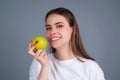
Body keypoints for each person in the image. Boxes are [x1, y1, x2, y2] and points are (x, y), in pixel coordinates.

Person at [28, 7, 105, 80]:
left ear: (74, 30)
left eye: (59, 26)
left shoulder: (90, 67)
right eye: (48, 28)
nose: (52, 32)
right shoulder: (39, 63)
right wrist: (44, 67)